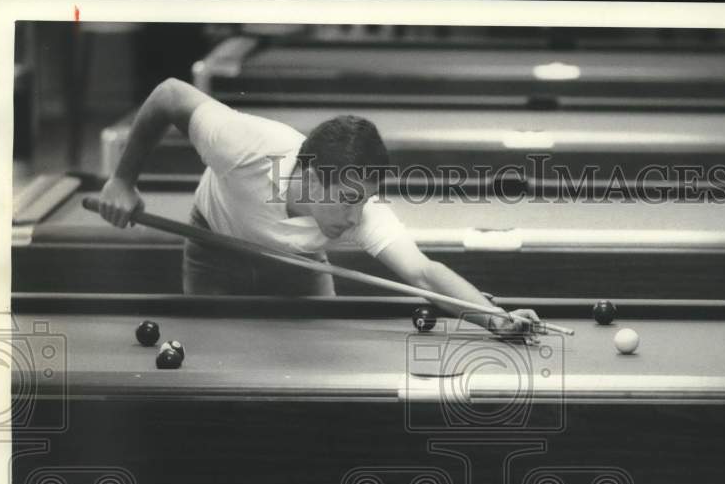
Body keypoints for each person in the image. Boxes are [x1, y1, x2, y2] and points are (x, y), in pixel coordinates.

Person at [97, 78, 539, 339]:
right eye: (348, 200)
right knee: (211, 353)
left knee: (320, 352)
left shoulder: (360, 211)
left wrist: (495, 319)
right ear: (309, 177)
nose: (354, 218)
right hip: (214, 251)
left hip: (300, 264)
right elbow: (170, 95)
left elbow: (423, 272)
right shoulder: (242, 144)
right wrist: (122, 180)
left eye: (362, 201)